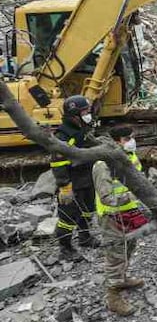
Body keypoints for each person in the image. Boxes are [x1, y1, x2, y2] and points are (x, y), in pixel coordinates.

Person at [93, 126, 150, 316]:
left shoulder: (129, 157)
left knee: (129, 247)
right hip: (111, 215)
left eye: (132, 137)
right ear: (117, 141)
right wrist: (131, 195)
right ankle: (113, 297)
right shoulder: (103, 164)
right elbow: (106, 197)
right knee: (115, 255)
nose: (131, 141)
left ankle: (123, 278)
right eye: (127, 138)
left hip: (130, 212)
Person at [51, 95, 100, 257]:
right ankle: (65, 248)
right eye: (85, 111)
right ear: (74, 114)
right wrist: (65, 186)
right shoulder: (63, 136)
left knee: (87, 210)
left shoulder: (82, 128)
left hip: (86, 177)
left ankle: (84, 237)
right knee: (68, 216)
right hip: (72, 181)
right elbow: (58, 163)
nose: (88, 114)